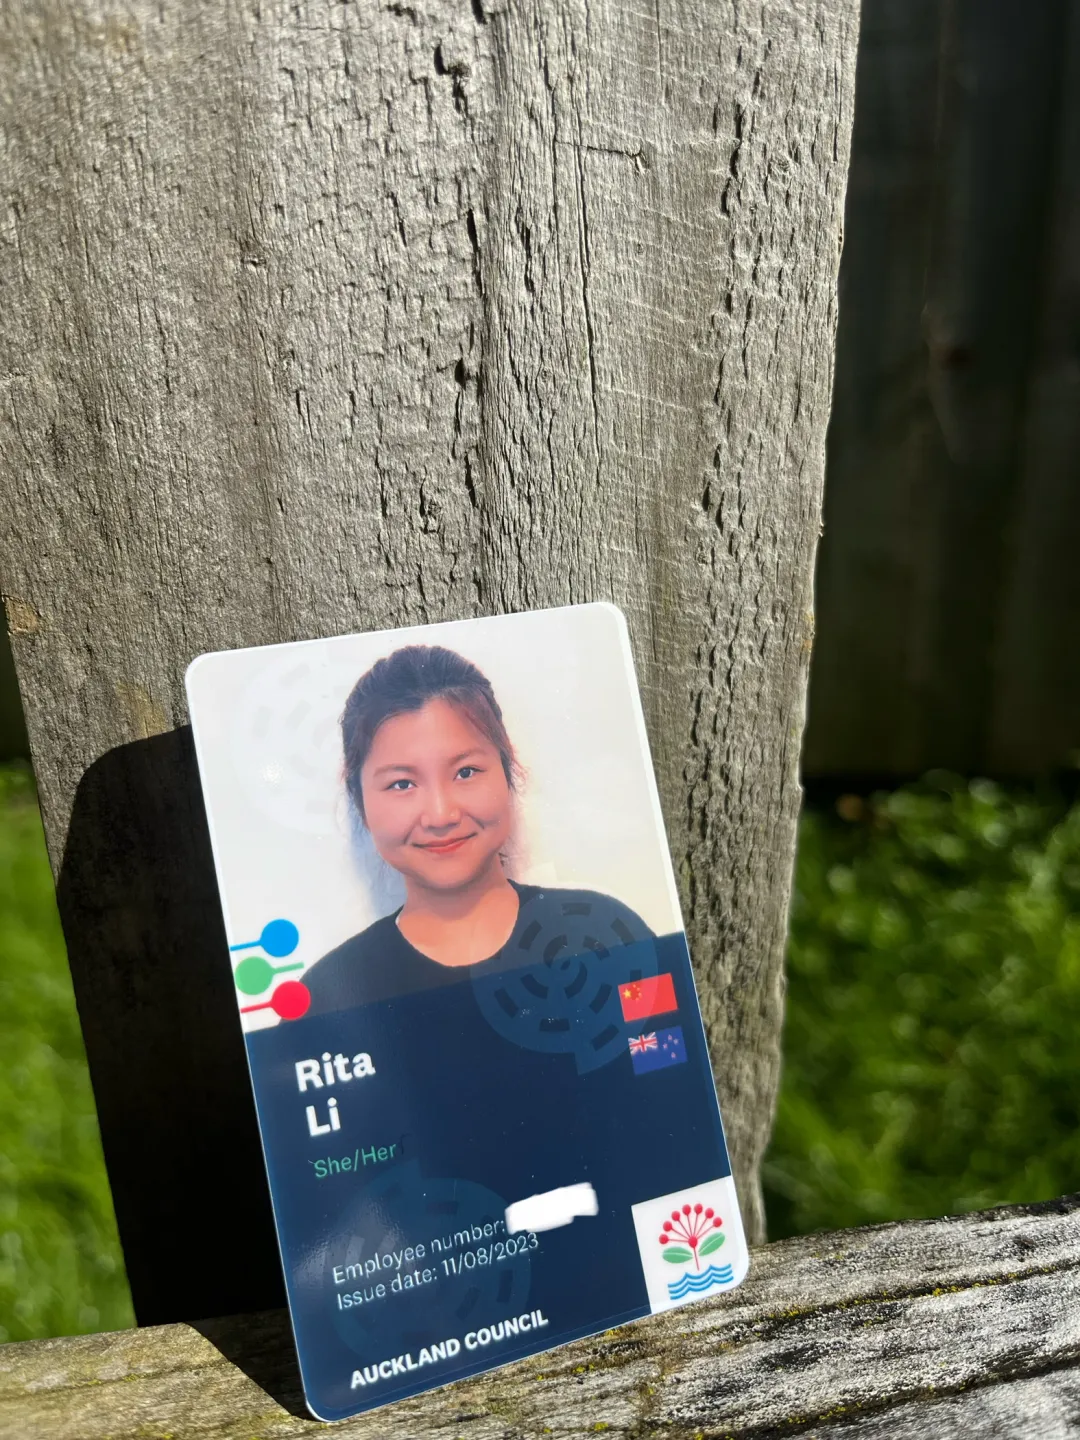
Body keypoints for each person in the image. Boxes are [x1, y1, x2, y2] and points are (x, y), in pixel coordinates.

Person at [303, 644, 653, 1014]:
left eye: (465, 772)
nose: (441, 815)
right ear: (360, 802)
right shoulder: (327, 998)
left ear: (507, 771)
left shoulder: (609, 937)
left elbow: (666, 1047)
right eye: (402, 784)